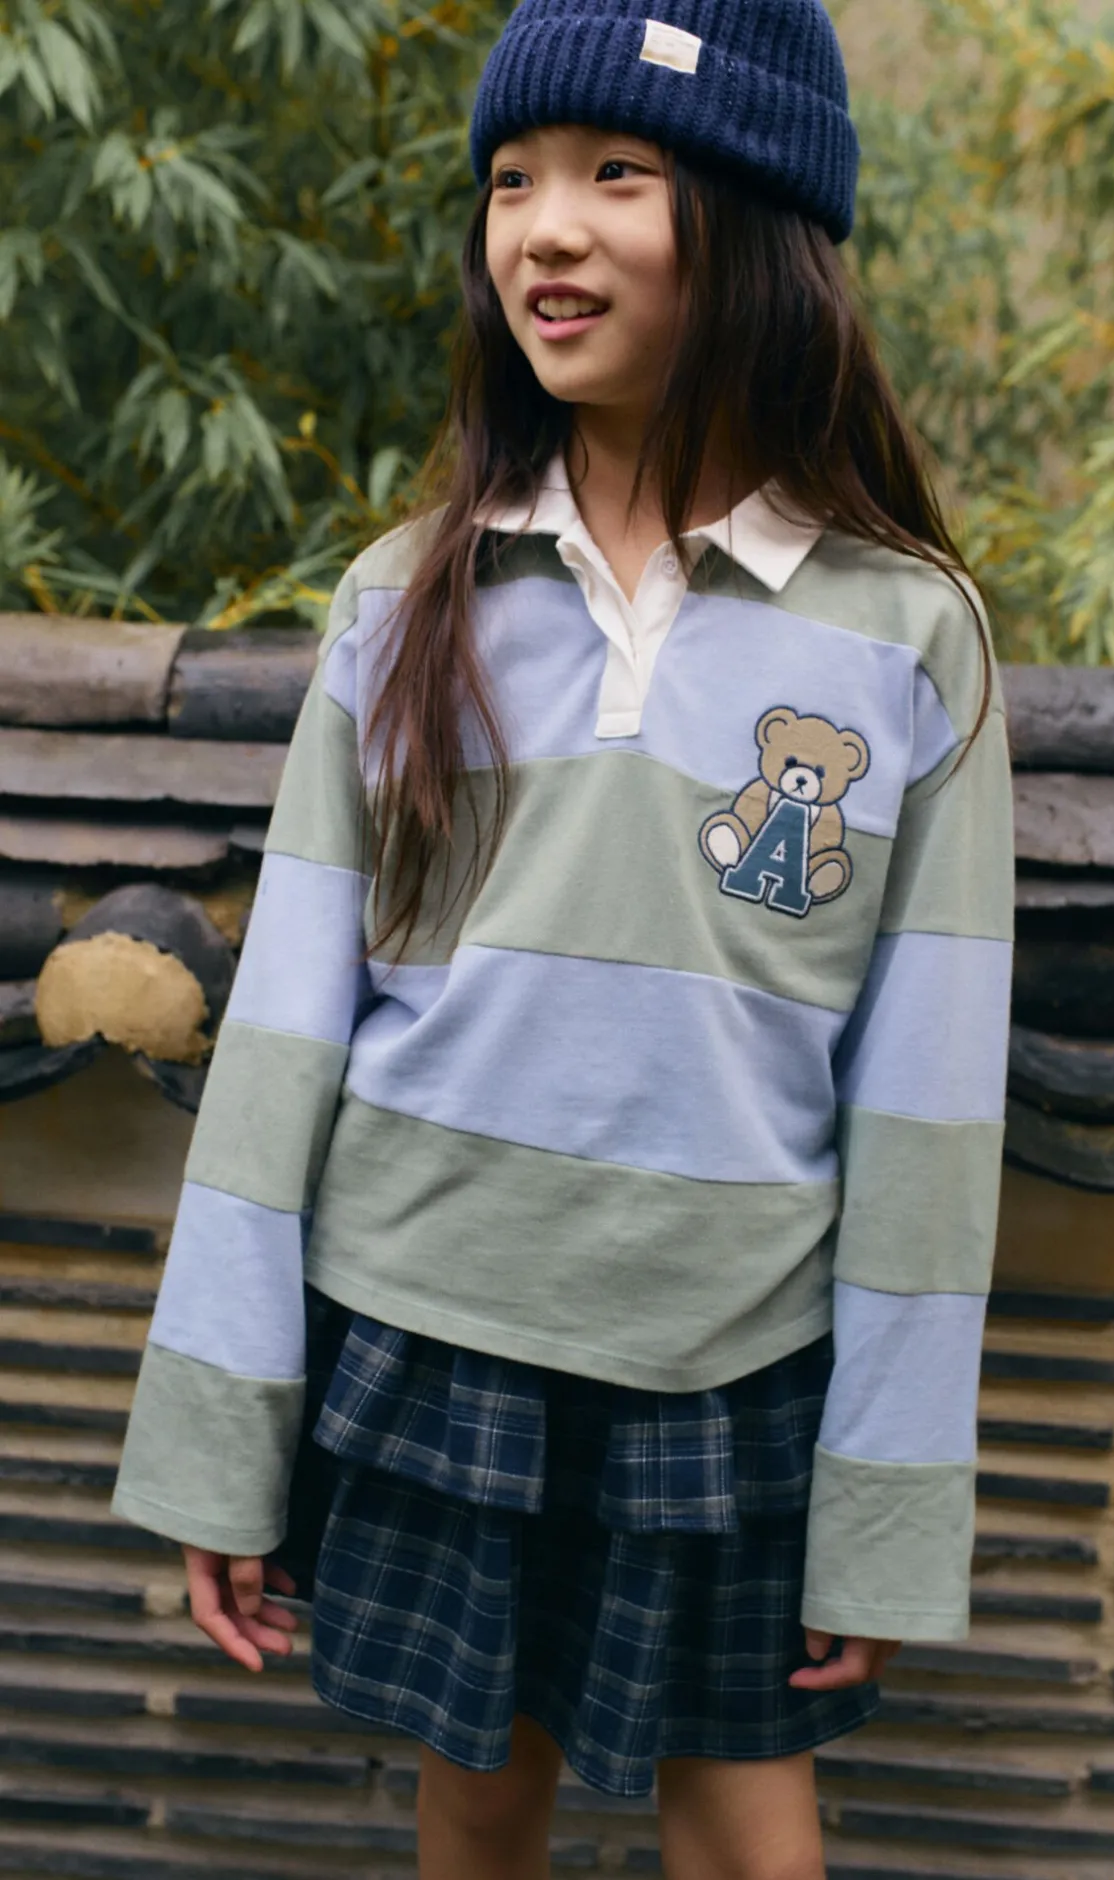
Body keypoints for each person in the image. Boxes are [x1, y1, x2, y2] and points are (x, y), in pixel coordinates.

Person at [113, 1, 1015, 1873]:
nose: (546, 228)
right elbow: (281, 1045)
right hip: (430, 1326)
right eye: (512, 180)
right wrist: (216, 1429)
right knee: (477, 1808)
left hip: (735, 1353)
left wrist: (884, 1509)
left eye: (618, 173)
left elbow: (929, 1113)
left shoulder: (909, 635)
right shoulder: (405, 602)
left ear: (758, 226)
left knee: (752, 1828)